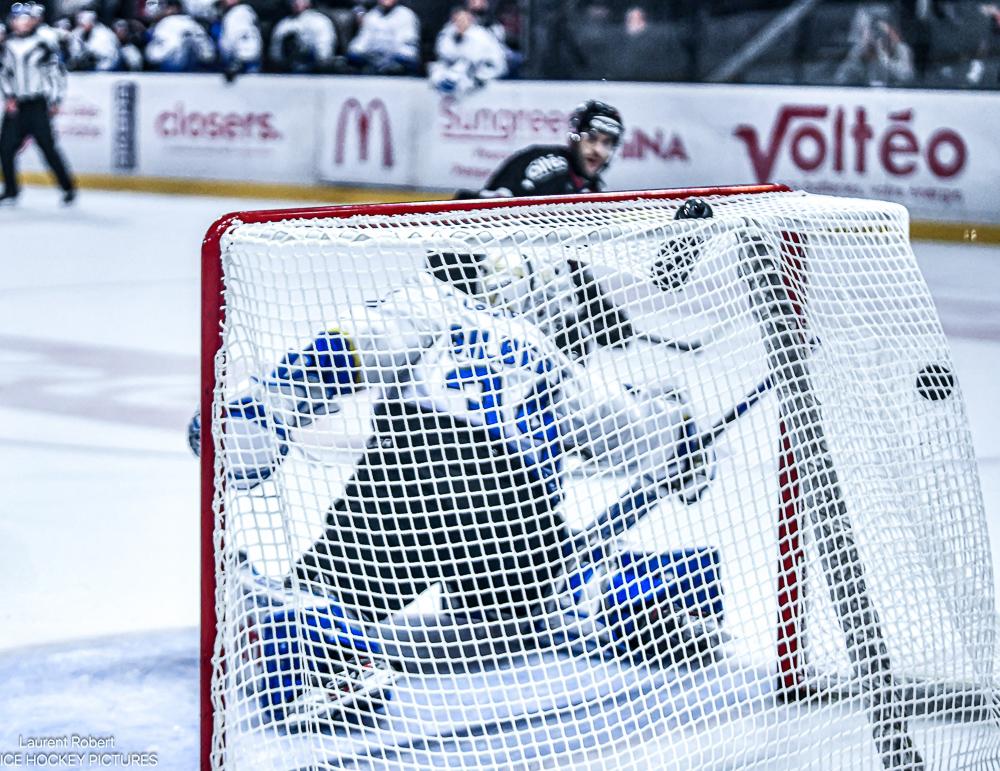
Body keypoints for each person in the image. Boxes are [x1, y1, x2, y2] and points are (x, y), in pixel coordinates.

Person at [190, 245, 718, 721]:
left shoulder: (431, 305)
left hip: (413, 475)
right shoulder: (550, 356)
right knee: (536, 597)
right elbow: (620, 428)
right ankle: (646, 595)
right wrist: (678, 439)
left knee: (338, 585)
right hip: (514, 508)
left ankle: (309, 643)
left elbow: (358, 343)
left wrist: (273, 400)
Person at [465, 99, 623, 199]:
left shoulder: (594, 187)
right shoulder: (548, 166)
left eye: (606, 143)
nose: (598, 150)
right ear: (574, 138)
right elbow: (489, 206)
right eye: (591, 138)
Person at [0, 2, 76, 205]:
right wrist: (9, 97)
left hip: (37, 104)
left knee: (47, 148)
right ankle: (11, 190)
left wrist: (55, 99)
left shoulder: (42, 44)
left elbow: (56, 74)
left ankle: (67, 187)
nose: (22, 23)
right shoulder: (7, 45)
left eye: (25, 19)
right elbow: (5, 74)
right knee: (5, 148)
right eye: (18, 19)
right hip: (17, 105)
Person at [428, 5, 506, 97]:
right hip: (461, 67)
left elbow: (474, 59)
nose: (460, 22)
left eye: (464, 19)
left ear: (470, 20)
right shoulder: (447, 32)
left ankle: (453, 83)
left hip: (488, 67)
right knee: (437, 68)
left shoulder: (479, 34)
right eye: (457, 19)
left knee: (462, 67)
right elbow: (443, 53)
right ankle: (446, 85)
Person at [835, 4, 914, 86]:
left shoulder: (901, 49)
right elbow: (840, 79)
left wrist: (884, 59)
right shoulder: (859, 51)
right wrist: (859, 58)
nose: (877, 35)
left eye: (880, 31)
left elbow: (907, 77)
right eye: (872, 31)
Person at [346, 0, 420, 75]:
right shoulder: (372, 15)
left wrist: (389, 62)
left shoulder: (406, 15)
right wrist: (354, 53)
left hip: (399, 64)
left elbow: (407, 49)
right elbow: (361, 43)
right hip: (374, 62)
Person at [144, 0, 216, 72]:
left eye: (171, 7)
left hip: (169, 70)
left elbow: (152, 57)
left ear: (176, 8)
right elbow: (208, 55)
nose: (169, 10)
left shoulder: (165, 24)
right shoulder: (192, 23)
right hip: (189, 71)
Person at [269, 0, 337, 74]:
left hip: (315, 71)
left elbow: (324, 53)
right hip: (288, 71)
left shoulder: (320, 21)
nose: (296, 3)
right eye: (293, 1)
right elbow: (275, 54)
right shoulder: (283, 24)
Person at [215, 0, 262, 79]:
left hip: (243, 69)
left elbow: (248, 48)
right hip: (232, 66)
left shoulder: (239, 13)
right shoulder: (227, 14)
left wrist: (238, 63)